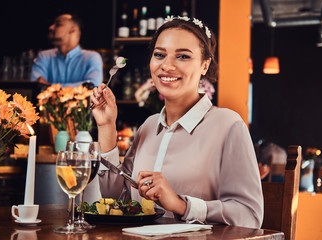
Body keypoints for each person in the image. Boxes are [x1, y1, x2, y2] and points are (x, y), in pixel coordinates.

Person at [91, 17, 263, 228]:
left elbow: (250, 217)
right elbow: (118, 201)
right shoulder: (149, 126)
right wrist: (106, 126)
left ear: (204, 65)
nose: (167, 65)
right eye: (159, 55)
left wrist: (181, 205)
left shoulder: (229, 125)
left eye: (183, 56)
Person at [30, 14, 103, 87]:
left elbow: (92, 85)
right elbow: (37, 85)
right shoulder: (44, 56)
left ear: (72, 30)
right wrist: (80, 87)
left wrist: (50, 86)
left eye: (58, 24)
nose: (51, 27)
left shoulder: (91, 57)